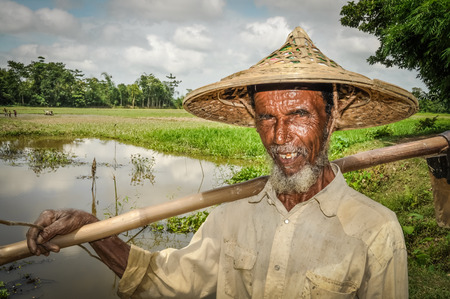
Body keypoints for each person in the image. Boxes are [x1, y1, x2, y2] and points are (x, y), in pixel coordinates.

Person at [27, 27, 418, 298]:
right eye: (267, 117)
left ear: (331, 120)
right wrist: (94, 230)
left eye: (299, 114)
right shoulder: (230, 218)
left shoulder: (375, 229)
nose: (280, 137)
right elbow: (166, 282)